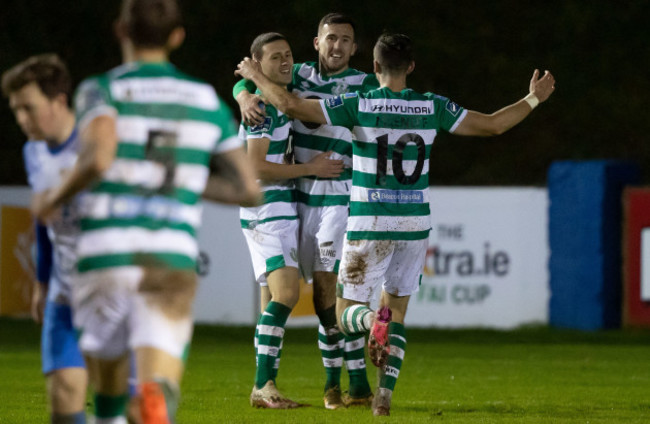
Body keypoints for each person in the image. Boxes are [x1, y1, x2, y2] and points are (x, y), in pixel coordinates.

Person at [235, 32, 556, 416]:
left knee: (344, 313)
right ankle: (382, 397)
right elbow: (493, 125)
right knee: (398, 310)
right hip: (414, 226)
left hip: (371, 222)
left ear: (373, 67)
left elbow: (288, 103)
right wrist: (534, 98)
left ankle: (372, 323)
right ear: (412, 67)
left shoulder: (360, 104)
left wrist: (253, 79)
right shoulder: (432, 105)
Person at [31, 0, 260, 423]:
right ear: (177, 37)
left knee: (108, 394)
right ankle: (152, 401)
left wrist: (53, 198)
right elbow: (248, 189)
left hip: (107, 253)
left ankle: (115, 411)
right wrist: (188, 181)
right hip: (168, 260)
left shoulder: (100, 89)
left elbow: (98, 159)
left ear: (120, 30)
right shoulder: (205, 99)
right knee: (155, 387)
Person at [233, 13, 378, 409]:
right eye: (331, 38)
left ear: (354, 47)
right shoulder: (293, 73)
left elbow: (266, 83)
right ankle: (316, 386)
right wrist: (245, 94)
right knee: (295, 297)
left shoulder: (364, 84)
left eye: (346, 40)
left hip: (336, 195)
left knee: (326, 289)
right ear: (317, 43)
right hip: (294, 196)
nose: (337, 46)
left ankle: (351, 383)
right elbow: (252, 78)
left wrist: (252, 88)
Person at [240, 32, 344, 409]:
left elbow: (243, 81)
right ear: (258, 67)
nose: (285, 62)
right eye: (274, 58)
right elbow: (253, 166)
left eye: (288, 54)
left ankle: (266, 386)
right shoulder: (262, 108)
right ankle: (261, 386)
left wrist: (244, 88)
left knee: (272, 299)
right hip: (267, 208)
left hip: (278, 209)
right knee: (285, 295)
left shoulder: (277, 98)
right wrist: (310, 167)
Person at [2, 54, 88, 424]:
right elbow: (44, 220)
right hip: (63, 292)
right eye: (15, 110)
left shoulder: (97, 146)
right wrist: (41, 281)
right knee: (64, 400)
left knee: (132, 406)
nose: (22, 119)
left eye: (29, 108)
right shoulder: (33, 151)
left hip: (112, 292)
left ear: (59, 100)